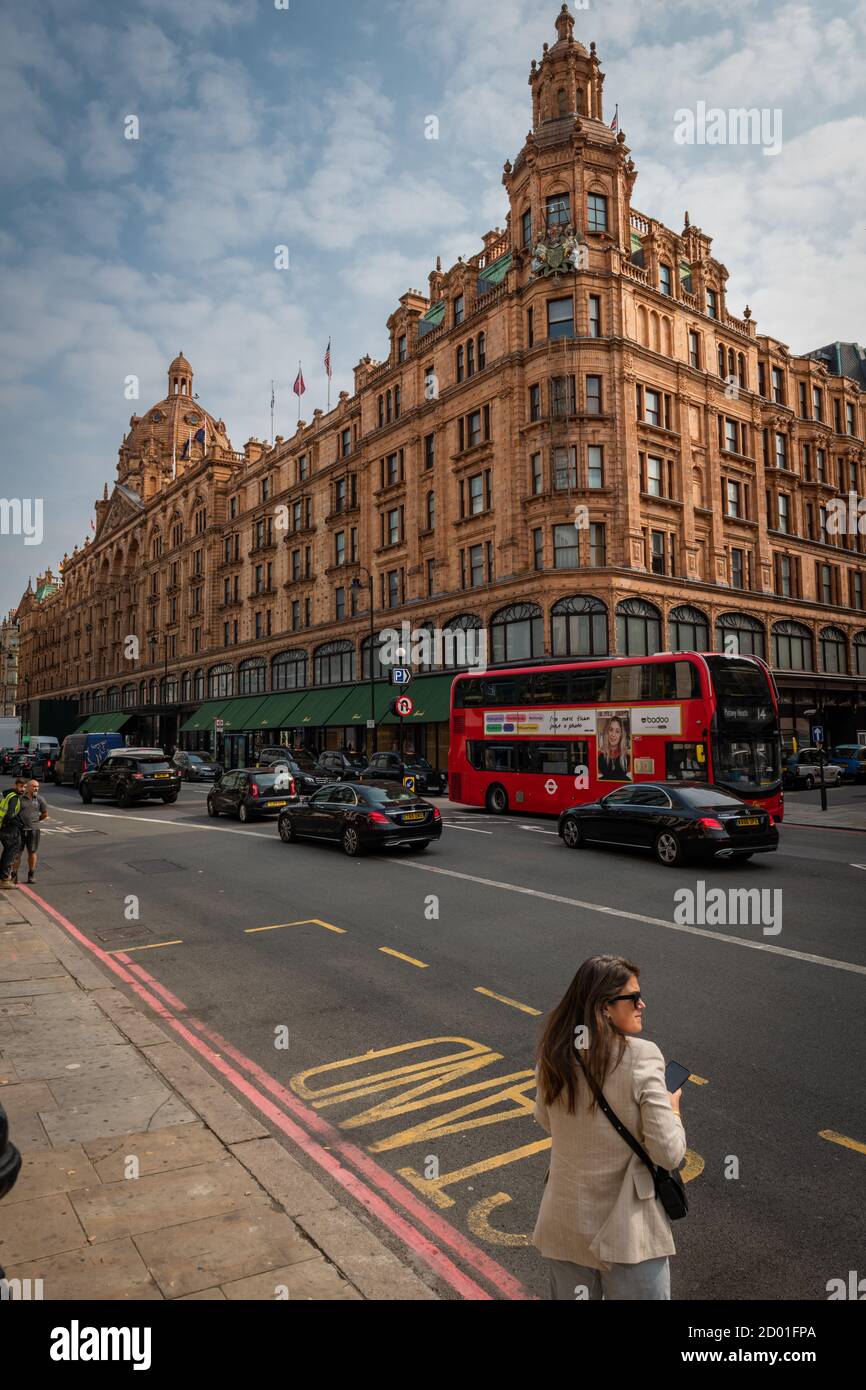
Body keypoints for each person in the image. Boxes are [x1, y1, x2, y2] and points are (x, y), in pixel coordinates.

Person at [533, 954, 686, 1300]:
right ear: (604, 1007)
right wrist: (674, 1109)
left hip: (566, 1221)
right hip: (628, 1230)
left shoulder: (554, 1054)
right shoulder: (642, 1056)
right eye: (632, 998)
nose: (641, 1004)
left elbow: (546, 1119)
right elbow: (669, 1152)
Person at [15, 779, 48, 884]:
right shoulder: (20, 799)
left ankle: (31, 874)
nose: (36, 788)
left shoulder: (40, 799)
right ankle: (14, 875)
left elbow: (44, 814)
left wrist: (35, 821)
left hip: (33, 830)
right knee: (17, 853)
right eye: (34, 786)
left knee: (32, 852)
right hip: (20, 830)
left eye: (37, 786)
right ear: (28, 787)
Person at [0, 778, 27, 889]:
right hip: (10, 830)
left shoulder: (9, 795)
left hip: (3, 828)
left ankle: (2, 877)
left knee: (6, 854)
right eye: (21, 786)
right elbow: (10, 815)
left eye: (24, 787)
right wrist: (19, 823)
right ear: (16, 785)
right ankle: (5, 880)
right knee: (10, 855)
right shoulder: (14, 798)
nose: (23, 789)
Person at [598, 714, 632, 781]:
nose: (613, 734)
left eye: (617, 731)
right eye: (611, 730)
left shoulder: (628, 757)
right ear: (607, 732)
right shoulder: (599, 755)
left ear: (621, 735)